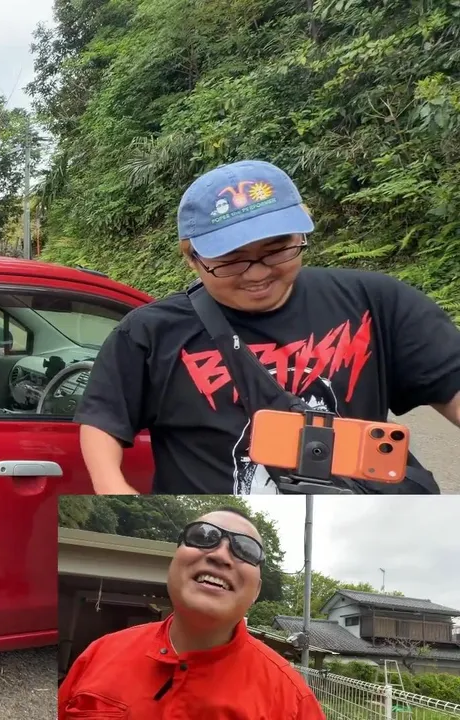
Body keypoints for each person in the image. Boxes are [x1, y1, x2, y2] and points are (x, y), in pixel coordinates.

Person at [75, 159, 460, 494]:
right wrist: (113, 488)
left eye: (276, 250)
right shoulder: (150, 332)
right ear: (192, 257)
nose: (257, 274)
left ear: (301, 234)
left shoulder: (375, 302)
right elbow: (103, 420)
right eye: (231, 260)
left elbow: (449, 383)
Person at [58, 508, 326, 719]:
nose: (220, 555)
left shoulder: (292, 701)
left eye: (246, 550)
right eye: (203, 536)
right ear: (173, 564)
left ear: (256, 591)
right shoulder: (99, 655)